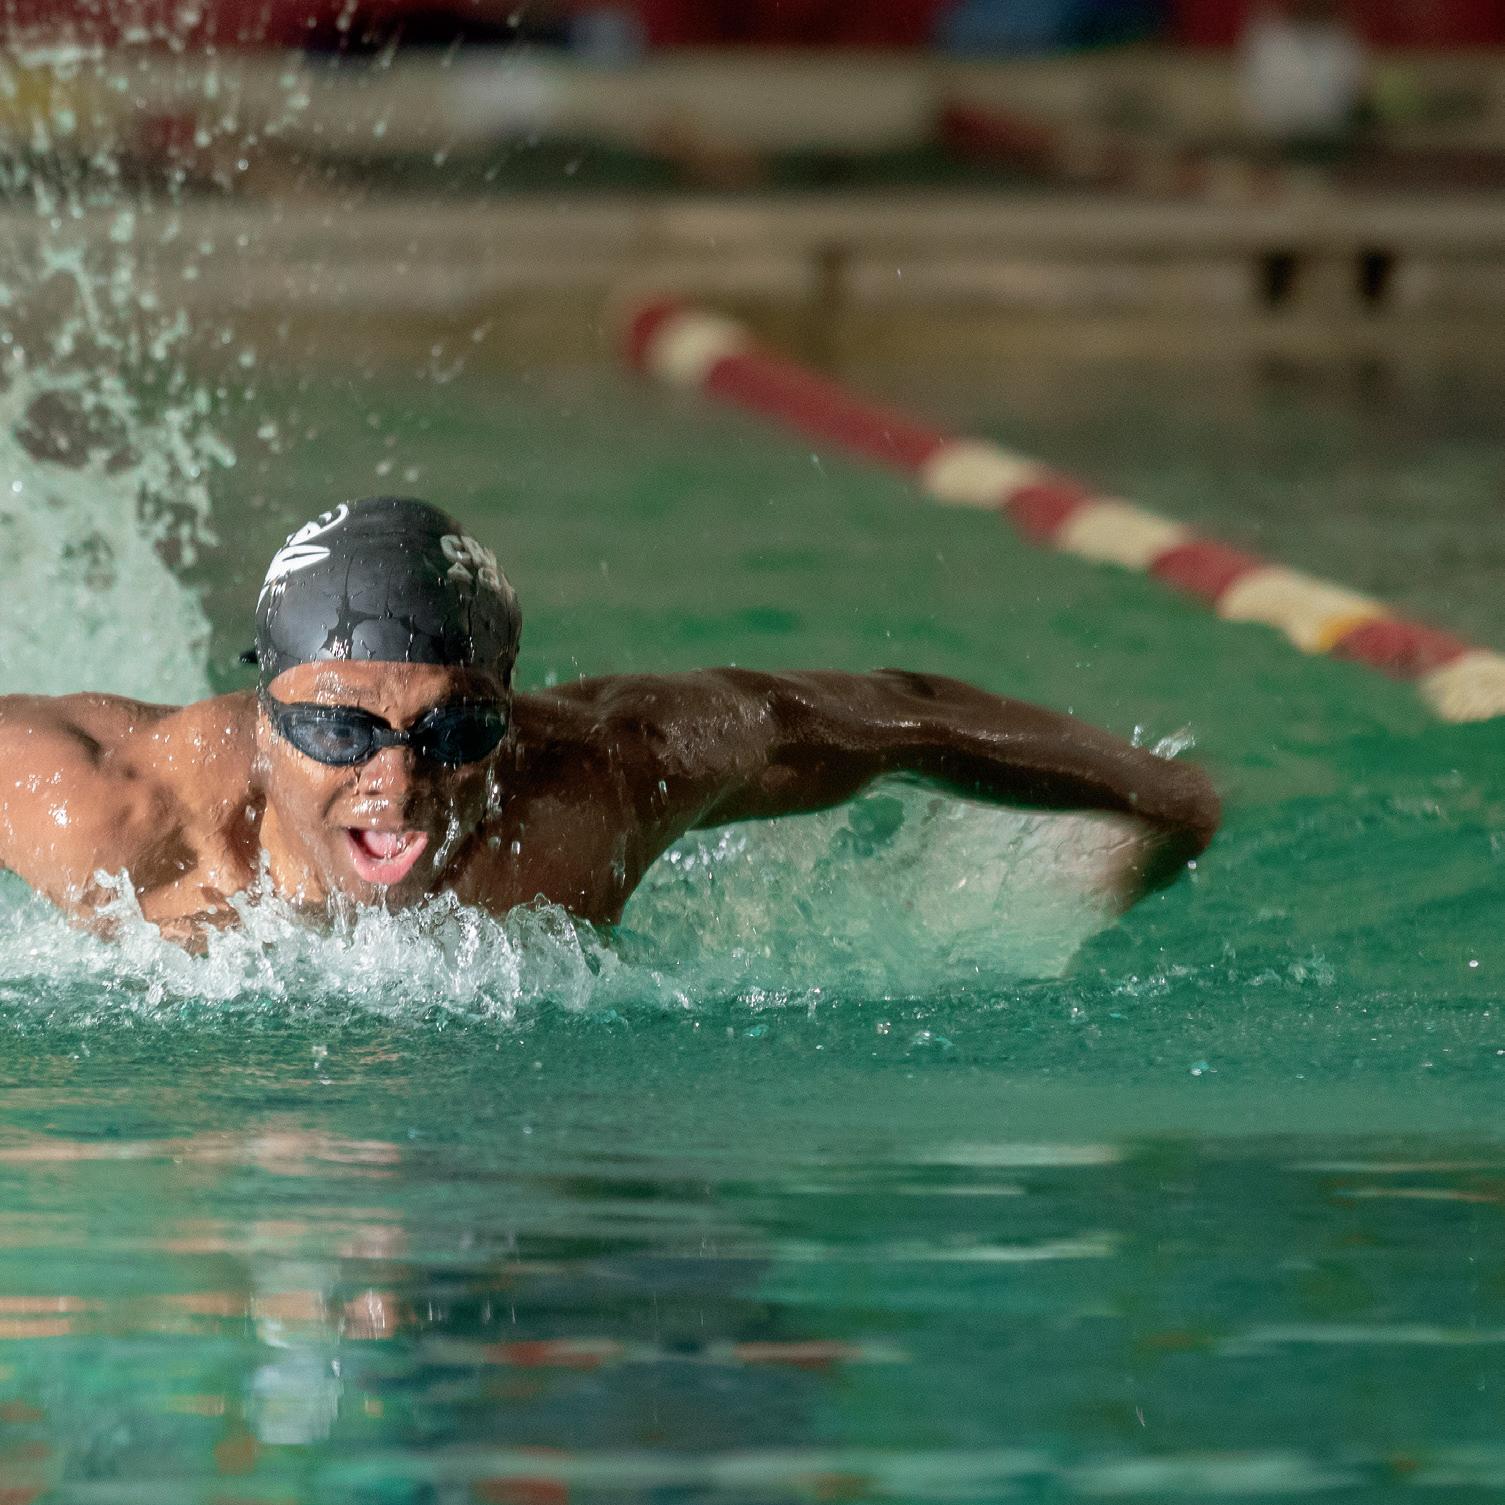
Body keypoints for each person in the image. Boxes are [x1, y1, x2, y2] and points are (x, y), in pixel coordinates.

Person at [0, 497, 1219, 946]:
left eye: (451, 733)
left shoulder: (599, 776)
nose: (396, 783)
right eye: (339, 731)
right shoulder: (113, 812)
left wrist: (1150, 797)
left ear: (510, 714)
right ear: (263, 714)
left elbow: (899, 714)